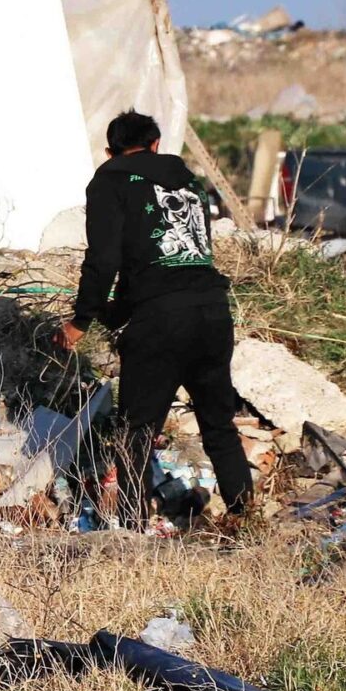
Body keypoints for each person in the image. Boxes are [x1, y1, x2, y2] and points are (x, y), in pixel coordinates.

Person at [59, 110, 253, 523]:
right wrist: (118, 312)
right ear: (155, 144)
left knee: (136, 433)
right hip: (213, 313)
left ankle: (132, 530)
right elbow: (176, 260)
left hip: (161, 324)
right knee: (218, 425)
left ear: (110, 151)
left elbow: (103, 260)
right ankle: (245, 516)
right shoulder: (189, 182)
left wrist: (82, 320)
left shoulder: (109, 181)